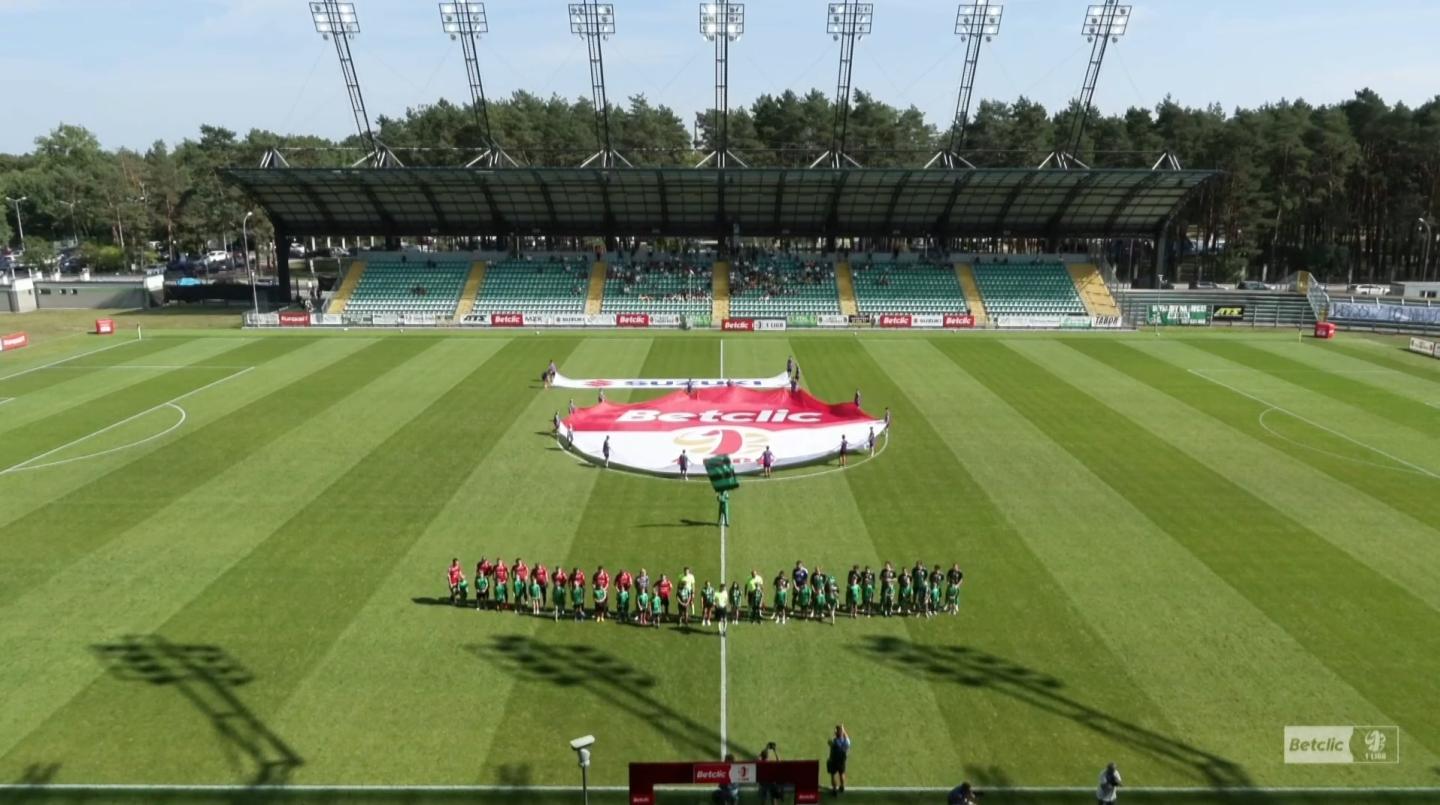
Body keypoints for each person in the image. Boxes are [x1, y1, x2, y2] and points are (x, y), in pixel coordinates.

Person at [826, 724, 851, 795]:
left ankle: (834, 790)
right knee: (841, 774)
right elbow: (846, 737)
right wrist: (843, 730)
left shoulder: (833, 742)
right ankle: (842, 787)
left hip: (833, 761)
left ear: (836, 733)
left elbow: (829, 742)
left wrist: (835, 734)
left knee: (833, 775)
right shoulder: (846, 742)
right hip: (842, 761)